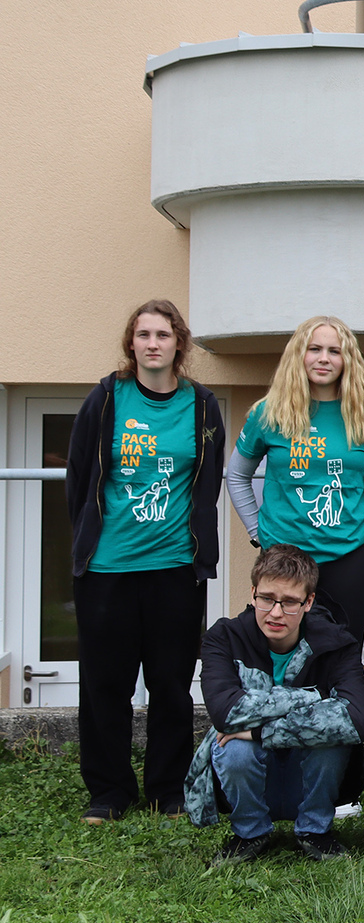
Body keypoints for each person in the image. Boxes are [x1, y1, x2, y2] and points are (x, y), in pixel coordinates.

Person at [67, 300, 226, 823]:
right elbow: (78, 479)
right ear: (130, 344)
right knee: (105, 685)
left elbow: (206, 484)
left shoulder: (202, 406)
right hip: (107, 570)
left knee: (171, 684)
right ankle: (109, 792)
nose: (153, 343)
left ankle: (167, 790)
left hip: (176, 569)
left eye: (163, 334)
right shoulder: (105, 400)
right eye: (143, 335)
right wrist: (87, 541)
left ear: (179, 343)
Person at [185, 544, 364, 864]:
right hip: (254, 774)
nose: (275, 612)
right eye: (267, 598)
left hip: (312, 773)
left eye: (289, 602)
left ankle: (315, 830)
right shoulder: (224, 638)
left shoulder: (337, 643)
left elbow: (357, 720)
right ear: (253, 593)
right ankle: (249, 832)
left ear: (308, 602)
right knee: (234, 746)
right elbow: (226, 713)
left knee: (332, 740)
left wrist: (259, 732)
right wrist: (312, 697)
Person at [227, 316, 364, 631]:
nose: (323, 358)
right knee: (282, 651)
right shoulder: (269, 412)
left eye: (334, 351)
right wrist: (257, 533)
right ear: (299, 355)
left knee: (344, 652)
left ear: (347, 360)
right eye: (314, 349)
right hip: (283, 557)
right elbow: (237, 475)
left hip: (348, 557)